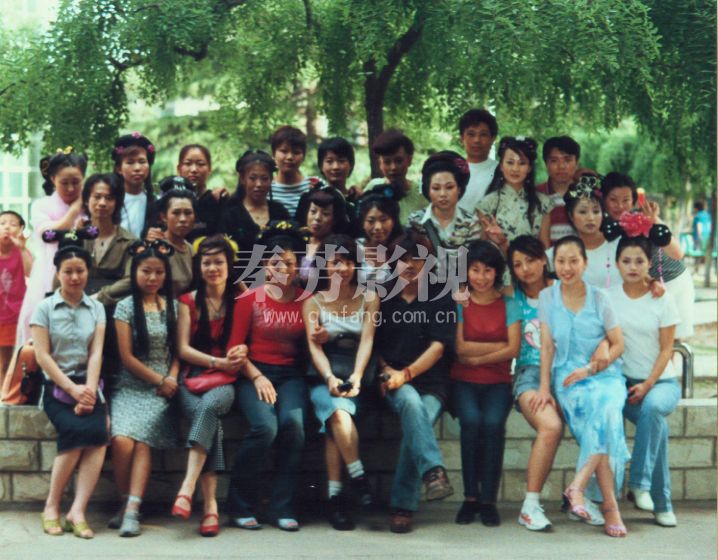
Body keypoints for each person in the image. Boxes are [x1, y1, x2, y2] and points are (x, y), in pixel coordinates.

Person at [534, 236, 630, 538]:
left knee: (607, 410)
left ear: (585, 263)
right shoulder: (547, 297)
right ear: (554, 264)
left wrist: (593, 367)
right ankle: (608, 506)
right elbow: (547, 346)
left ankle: (579, 487)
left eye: (574, 261)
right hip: (568, 379)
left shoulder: (600, 297)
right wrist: (544, 388)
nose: (567, 267)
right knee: (604, 420)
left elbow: (618, 344)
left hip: (605, 376)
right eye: (561, 261)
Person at [225, 222, 310, 532]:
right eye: (275, 263)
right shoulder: (250, 299)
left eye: (289, 263)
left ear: (298, 266)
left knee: (294, 426)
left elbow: (312, 345)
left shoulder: (306, 299)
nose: (282, 269)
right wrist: (258, 376)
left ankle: (282, 506)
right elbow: (235, 349)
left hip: (290, 376)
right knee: (265, 427)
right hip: (253, 372)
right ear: (264, 265)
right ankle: (239, 505)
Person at [375, 230, 456, 534]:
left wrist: (406, 374)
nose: (409, 265)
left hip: (432, 382)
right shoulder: (381, 293)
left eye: (417, 259)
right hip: (391, 378)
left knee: (417, 417)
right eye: (402, 259)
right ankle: (433, 473)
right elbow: (370, 342)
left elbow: (438, 348)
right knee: (410, 402)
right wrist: (388, 372)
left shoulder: (440, 294)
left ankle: (403, 505)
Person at [31, 238, 108, 539]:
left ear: (88, 272)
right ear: (58, 273)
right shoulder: (45, 308)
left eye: (80, 271)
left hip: (89, 383)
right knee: (76, 432)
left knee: (99, 435)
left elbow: (96, 353)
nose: (75, 277)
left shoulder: (97, 308)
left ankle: (77, 510)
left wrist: (88, 390)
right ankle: (51, 506)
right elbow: (42, 356)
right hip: (56, 387)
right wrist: (73, 391)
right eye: (68, 271)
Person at [303, 234, 379, 530]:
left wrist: (357, 376)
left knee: (335, 426)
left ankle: (334, 500)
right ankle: (359, 478)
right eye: (335, 262)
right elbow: (314, 348)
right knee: (337, 413)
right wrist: (329, 377)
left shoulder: (369, 298)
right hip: (324, 375)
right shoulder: (312, 302)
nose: (342, 269)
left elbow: (367, 340)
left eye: (347, 262)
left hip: (358, 372)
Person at [608, 218, 681, 527]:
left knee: (652, 409)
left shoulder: (662, 298)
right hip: (624, 384)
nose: (633, 267)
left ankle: (638, 484)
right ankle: (662, 505)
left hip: (662, 382)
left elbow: (667, 350)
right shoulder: (608, 298)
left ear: (649, 263)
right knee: (657, 427)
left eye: (639, 261)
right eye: (626, 261)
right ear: (617, 264)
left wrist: (649, 384)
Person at [173, 235, 247, 537]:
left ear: (229, 265)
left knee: (209, 408)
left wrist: (238, 356)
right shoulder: (188, 301)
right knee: (209, 420)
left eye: (219, 262)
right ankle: (211, 507)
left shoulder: (240, 299)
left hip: (226, 382)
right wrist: (218, 362)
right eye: (206, 263)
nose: (213, 268)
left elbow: (249, 338)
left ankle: (187, 486)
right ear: (198, 266)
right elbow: (182, 349)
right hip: (192, 377)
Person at [110, 240, 179, 537]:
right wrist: (159, 380)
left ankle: (132, 510)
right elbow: (127, 357)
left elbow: (178, 351)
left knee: (141, 441)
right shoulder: (125, 307)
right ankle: (126, 502)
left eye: (158, 272)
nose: (152, 278)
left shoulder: (173, 307)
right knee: (122, 440)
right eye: (146, 271)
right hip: (131, 385)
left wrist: (170, 379)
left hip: (162, 390)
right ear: (135, 272)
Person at [452, 241, 520, 527]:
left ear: (497, 272)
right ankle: (470, 498)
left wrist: (478, 358)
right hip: (463, 380)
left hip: (498, 381)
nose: (481, 277)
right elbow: (459, 348)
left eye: (488, 270)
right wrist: (496, 348)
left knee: (493, 424)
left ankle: (488, 501)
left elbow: (513, 348)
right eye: (475, 270)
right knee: (471, 421)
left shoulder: (509, 304)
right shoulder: (460, 301)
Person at [601, 173, 693, 337]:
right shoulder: (605, 226)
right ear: (604, 200)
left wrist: (654, 220)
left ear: (634, 201)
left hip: (674, 282)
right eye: (613, 199)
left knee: (674, 340)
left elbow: (677, 253)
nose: (620, 206)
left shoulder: (644, 217)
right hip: (646, 286)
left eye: (626, 200)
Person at [16, 150, 88, 345]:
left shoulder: (92, 204)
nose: (71, 188)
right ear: (53, 179)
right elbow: (48, 234)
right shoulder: (42, 205)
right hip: (48, 272)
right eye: (64, 182)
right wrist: (74, 211)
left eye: (76, 182)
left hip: (82, 272)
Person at [407, 151, 483, 276]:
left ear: (459, 189)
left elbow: (472, 263)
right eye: (436, 188)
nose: (443, 194)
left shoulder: (471, 222)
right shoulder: (416, 220)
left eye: (449, 187)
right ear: (428, 190)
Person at [547, 175, 622, 288]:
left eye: (596, 211)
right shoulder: (559, 252)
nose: (591, 218)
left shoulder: (620, 244)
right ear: (571, 215)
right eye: (583, 212)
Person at [478, 136, 551, 250]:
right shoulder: (487, 204)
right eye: (510, 162)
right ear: (501, 166)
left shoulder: (542, 203)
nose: (515, 169)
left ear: (529, 168)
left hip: (533, 260)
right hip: (498, 261)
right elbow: (482, 247)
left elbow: (544, 246)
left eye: (522, 163)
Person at [80, 173, 136, 306]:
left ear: (117, 203)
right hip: (77, 305)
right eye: (97, 197)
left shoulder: (129, 241)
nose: (102, 203)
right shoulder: (77, 237)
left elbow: (130, 279)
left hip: (115, 307)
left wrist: (99, 297)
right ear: (87, 200)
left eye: (109, 198)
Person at [219, 150, 290, 250]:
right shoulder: (231, 215)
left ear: (271, 180)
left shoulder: (279, 212)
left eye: (264, 179)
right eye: (252, 178)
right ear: (242, 179)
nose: (259, 184)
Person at [364, 129, 424, 223]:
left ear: (409, 160)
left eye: (398, 161)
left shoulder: (421, 194)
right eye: (387, 162)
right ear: (380, 164)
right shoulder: (373, 188)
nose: (393, 167)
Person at [0, 210, 32, 382]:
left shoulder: (21, 252)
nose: (7, 227)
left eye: (13, 224)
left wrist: (22, 248)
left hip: (17, 316)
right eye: (2, 223)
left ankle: (11, 393)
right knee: (2, 362)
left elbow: (31, 272)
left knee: (14, 361)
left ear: (20, 230)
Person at [296, 187, 350, 285]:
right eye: (313, 211)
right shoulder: (298, 239)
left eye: (325, 214)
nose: (317, 218)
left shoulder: (339, 246)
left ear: (335, 219)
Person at [355, 182, 405, 286]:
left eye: (383, 220)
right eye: (371, 221)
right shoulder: (354, 249)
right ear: (363, 223)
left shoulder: (404, 249)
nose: (378, 227)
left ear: (393, 221)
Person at [176, 144, 228, 241]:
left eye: (200, 164)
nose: (194, 170)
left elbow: (230, 236)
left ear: (209, 169)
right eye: (188, 164)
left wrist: (256, 252)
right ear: (179, 169)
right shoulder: (170, 202)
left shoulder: (219, 200)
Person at [151, 188, 196, 297]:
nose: (183, 219)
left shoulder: (191, 250)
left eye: (188, 213)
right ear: (164, 217)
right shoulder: (155, 247)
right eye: (176, 213)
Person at [537, 136, 581, 243]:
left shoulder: (589, 194)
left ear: (577, 163)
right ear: (546, 164)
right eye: (554, 160)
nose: (561, 166)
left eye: (567, 160)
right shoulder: (536, 195)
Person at [112, 133, 156, 239]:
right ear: (119, 169)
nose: (137, 168)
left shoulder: (155, 202)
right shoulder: (110, 199)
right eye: (130, 162)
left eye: (142, 161)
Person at [270, 125, 320, 217]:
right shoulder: (265, 189)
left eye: (296, 152)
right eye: (284, 151)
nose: (290, 157)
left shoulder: (316, 184)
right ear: (273, 154)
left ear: (303, 156)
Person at [457, 108, 499, 214]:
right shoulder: (450, 169)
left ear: (492, 138)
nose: (477, 140)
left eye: (483, 134)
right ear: (462, 138)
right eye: (471, 134)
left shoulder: (502, 171)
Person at [318, 137, 361, 201]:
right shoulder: (313, 198)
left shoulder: (357, 199)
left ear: (351, 165)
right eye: (329, 161)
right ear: (321, 166)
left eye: (341, 161)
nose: (336, 167)